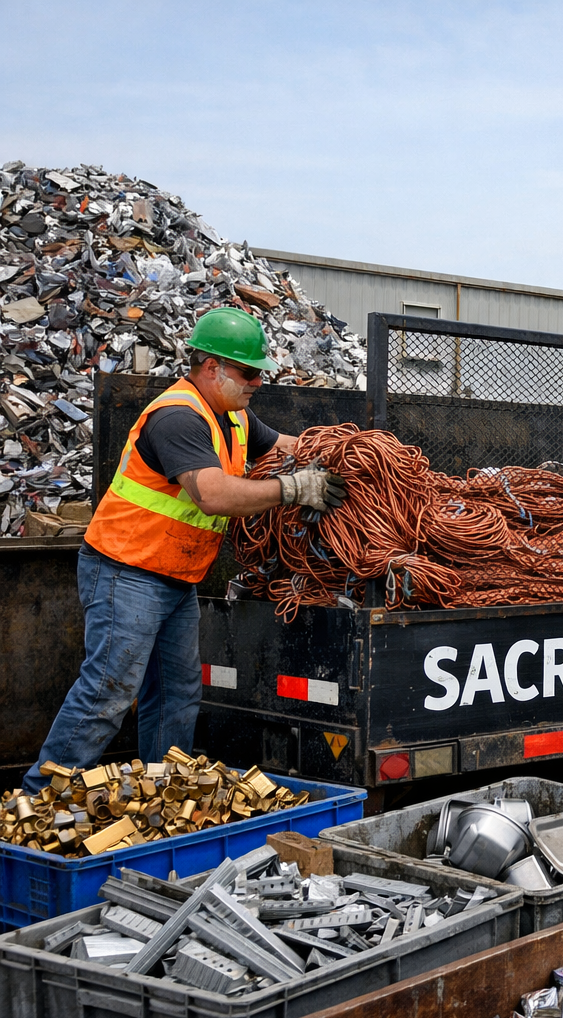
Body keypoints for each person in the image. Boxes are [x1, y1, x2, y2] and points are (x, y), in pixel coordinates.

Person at [23, 308, 345, 793]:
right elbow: (212, 494)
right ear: (212, 367)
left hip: (175, 577)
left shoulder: (234, 416)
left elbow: (285, 446)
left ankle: (165, 795)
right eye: (249, 372)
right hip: (125, 570)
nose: (258, 382)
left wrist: (346, 458)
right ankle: (38, 799)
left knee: (176, 694)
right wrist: (294, 488)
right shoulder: (178, 416)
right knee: (109, 692)